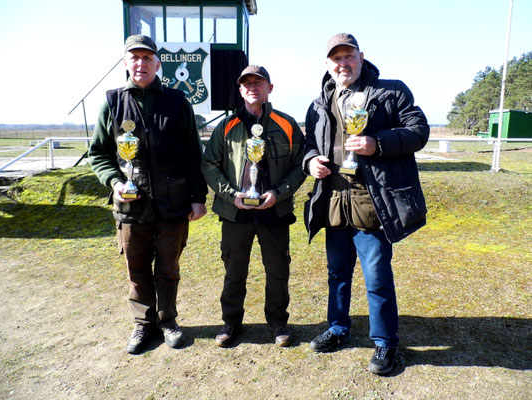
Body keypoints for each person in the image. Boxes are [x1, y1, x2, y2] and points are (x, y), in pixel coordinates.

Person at [303, 33, 429, 375]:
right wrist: (311, 161)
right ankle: (338, 327)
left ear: (361, 57)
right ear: (327, 66)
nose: (342, 64)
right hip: (333, 200)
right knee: (337, 274)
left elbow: (419, 131)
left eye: (348, 57)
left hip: (372, 201)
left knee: (376, 276)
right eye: (335, 59)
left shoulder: (391, 91)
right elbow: (308, 145)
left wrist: (378, 143)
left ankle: (386, 343)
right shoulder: (318, 104)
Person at [88, 34, 207, 354]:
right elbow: (98, 153)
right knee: (137, 269)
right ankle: (143, 325)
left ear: (157, 63)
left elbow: (194, 155)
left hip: (173, 203)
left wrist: (198, 197)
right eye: (134, 58)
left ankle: (167, 321)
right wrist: (114, 181)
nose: (140, 63)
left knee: (168, 268)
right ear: (126, 63)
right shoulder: (112, 102)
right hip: (130, 206)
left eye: (146, 58)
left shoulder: (178, 101)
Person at [202, 65, 306, 347]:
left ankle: (278, 324)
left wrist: (280, 193)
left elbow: (300, 166)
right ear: (240, 90)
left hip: (275, 212)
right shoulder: (226, 127)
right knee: (234, 271)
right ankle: (231, 322)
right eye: (246, 83)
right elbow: (209, 164)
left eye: (258, 82)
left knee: (277, 271)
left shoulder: (287, 124)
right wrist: (230, 195)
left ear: (269, 88)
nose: (252, 87)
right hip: (236, 213)